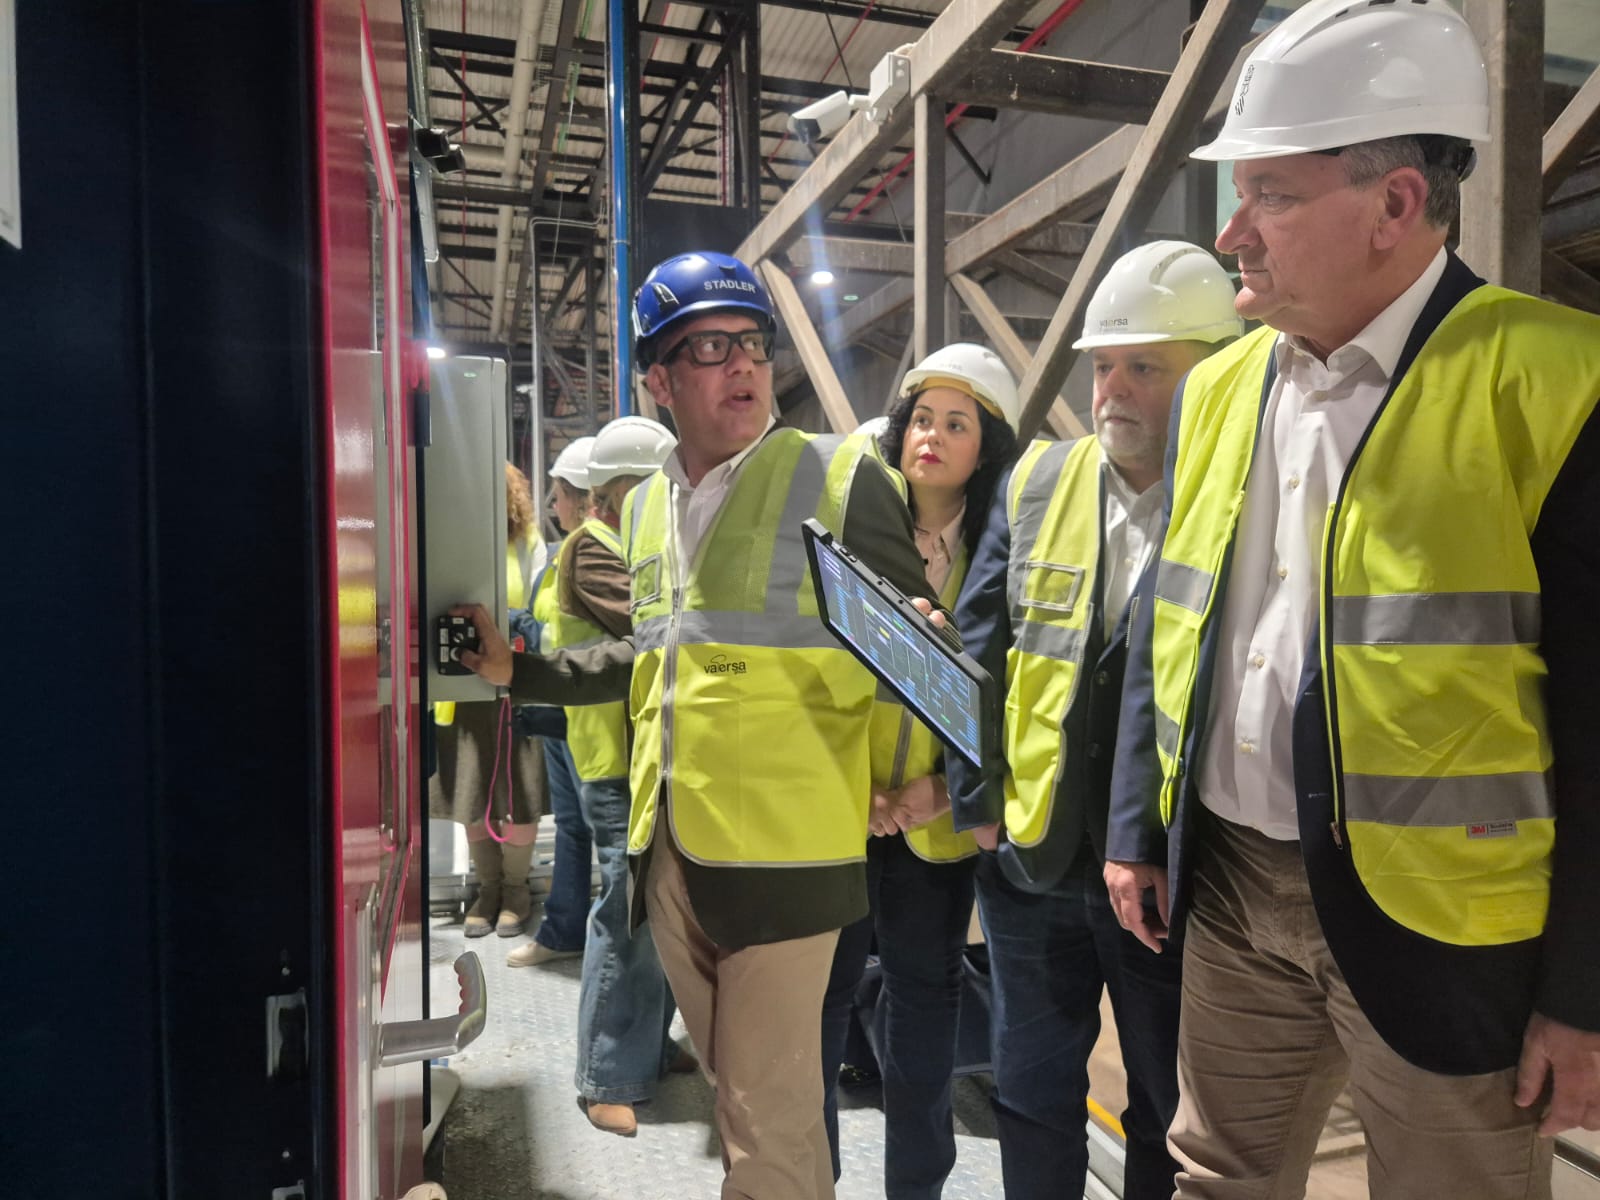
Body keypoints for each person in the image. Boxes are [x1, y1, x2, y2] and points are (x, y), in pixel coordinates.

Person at [1105, 2, 1600, 1196]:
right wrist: (1136, 831)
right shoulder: (1218, 390)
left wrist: (1583, 991)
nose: (1231, 233)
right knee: (1214, 1174)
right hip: (1230, 890)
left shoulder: (1551, 379)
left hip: (1447, 923)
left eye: (1270, 196)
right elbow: (1168, 626)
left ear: (1394, 204)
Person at [451, 249, 941, 1200]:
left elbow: (925, 656)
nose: (743, 364)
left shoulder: (839, 479)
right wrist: (521, 670)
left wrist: (932, 786)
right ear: (658, 380)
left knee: (764, 1126)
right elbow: (648, 658)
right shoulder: (646, 510)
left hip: (789, 859)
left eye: (752, 342)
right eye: (710, 347)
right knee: (756, 1110)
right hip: (671, 851)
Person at [945, 244, 1241, 1200]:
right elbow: (978, 650)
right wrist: (976, 800)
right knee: (1032, 1090)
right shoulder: (1038, 484)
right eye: (1102, 366)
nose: (1111, 390)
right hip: (1032, 854)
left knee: (1166, 1106)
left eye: (1143, 366)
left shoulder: (1241, 496)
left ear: (1215, 372)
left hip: (1169, 874)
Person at [817, 345, 1019, 1199]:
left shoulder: (1005, 548)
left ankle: (916, 1187)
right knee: (822, 1005)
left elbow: (1013, 688)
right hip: (844, 812)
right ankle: (813, 1180)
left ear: (986, 446)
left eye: (956, 424)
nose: (931, 436)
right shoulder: (850, 529)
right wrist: (852, 789)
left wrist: (943, 791)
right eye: (922, 419)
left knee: (925, 1008)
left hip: (935, 826)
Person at [511, 415, 694, 1136]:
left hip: (646, 753)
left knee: (657, 911)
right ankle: (605, 1075)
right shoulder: (595, 548)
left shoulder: (637, 543)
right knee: (623, 912)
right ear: (620, 493)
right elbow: (656, 633)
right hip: (614, 758)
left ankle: (647, 1047)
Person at [430, 462, 548, 937]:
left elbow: (541, 610)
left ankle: (516, 891)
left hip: (518, 683)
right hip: (463, 690)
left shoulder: (528, 544)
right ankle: (489, 889)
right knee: (472, 791)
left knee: (522, 791)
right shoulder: (449, 542)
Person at [516, 436, 596, 962]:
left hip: (588, 713)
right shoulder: (560, 553)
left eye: (559, 494)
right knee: (570, 825)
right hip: (559, 708)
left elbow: (566, 637)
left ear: (582, 498)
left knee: (593, 828)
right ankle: (564, 930)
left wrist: (520, 627)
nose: (553, 504)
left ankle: (587, 935)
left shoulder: (590, 553)